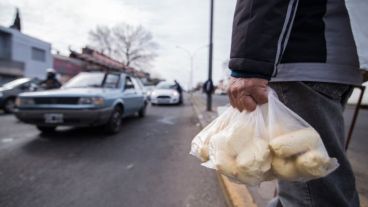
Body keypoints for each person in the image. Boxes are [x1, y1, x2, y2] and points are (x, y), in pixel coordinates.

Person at [228, 1, 361, 207]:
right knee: (308, 185)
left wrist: (247, 65)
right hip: (334, 64)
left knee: (314, 194)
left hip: (298, 61)